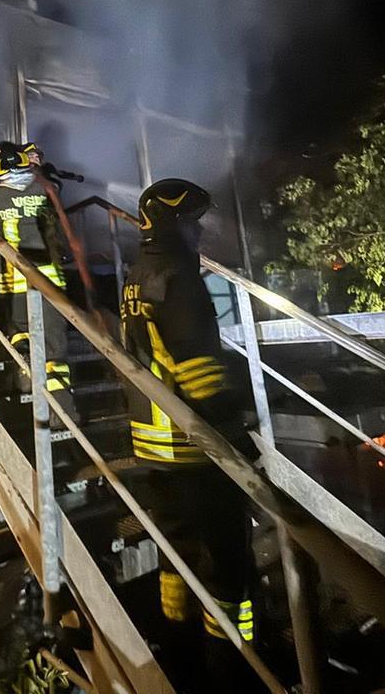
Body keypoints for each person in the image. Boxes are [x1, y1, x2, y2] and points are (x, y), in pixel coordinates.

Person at [119, 178, 255, 682]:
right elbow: (199, 374)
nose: (199, 231)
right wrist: (242, 419)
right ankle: (233, 668)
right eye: (194, 221)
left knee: (175, 554)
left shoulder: (138, 273)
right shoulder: (178, 276)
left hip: (152, 446)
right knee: (228, 568)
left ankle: (179, 653)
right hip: (192, 448)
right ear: (175, 223)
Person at [0, 141, 73, 397]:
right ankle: (61, 407)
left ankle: (25, 376)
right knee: (54, 345)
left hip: (13, 281)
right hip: (50, 281)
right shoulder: (44, 191)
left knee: (19, 332)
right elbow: (57, 229)